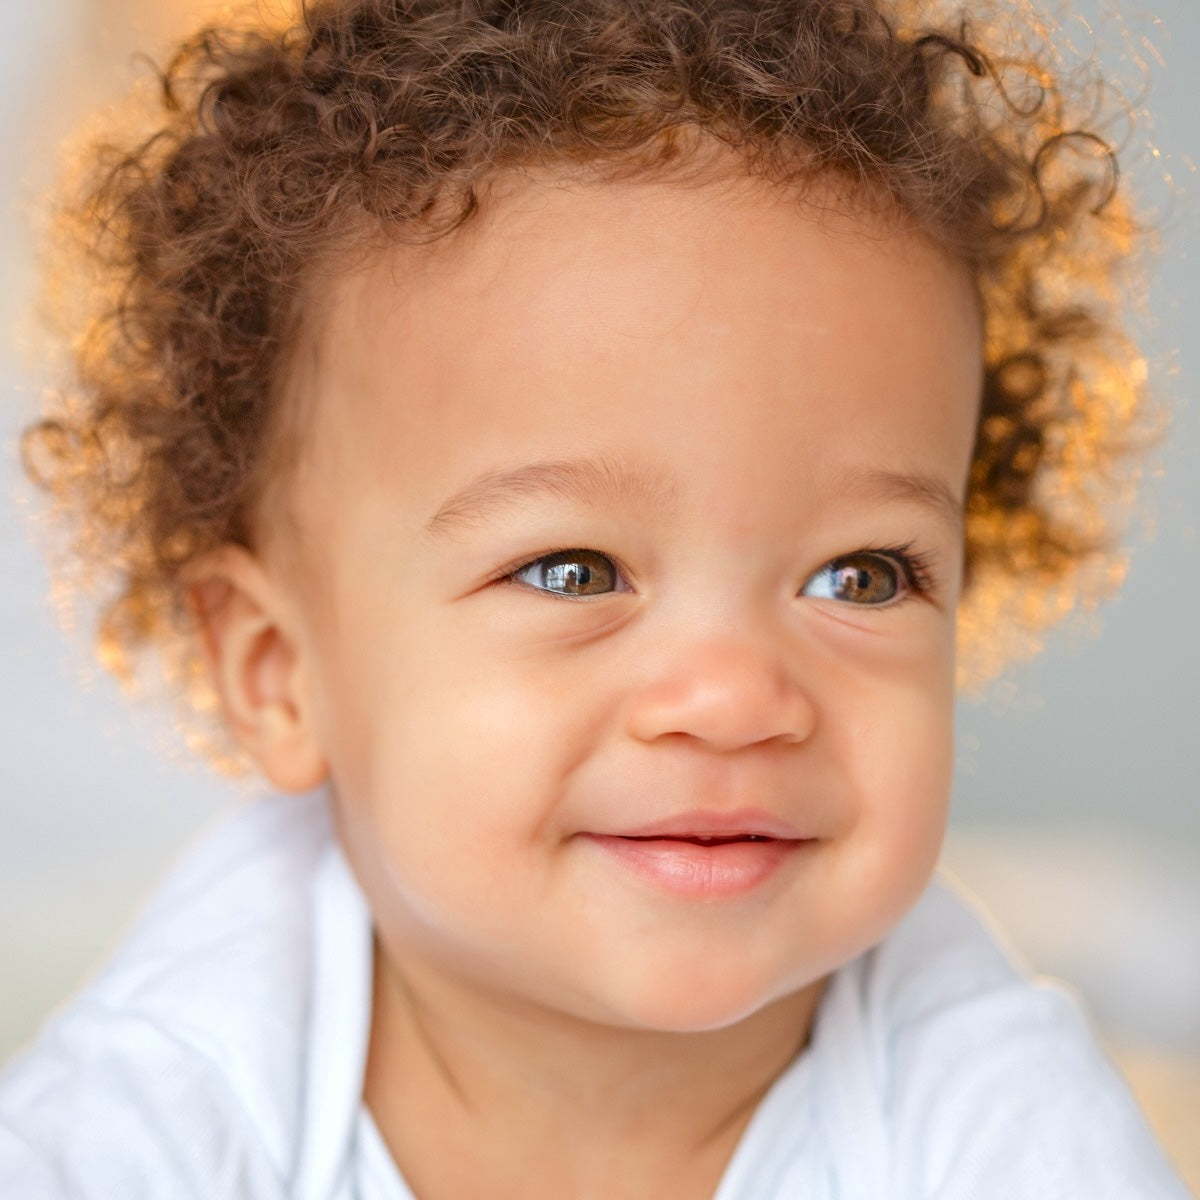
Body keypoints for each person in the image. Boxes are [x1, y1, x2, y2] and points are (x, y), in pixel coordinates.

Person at [0, 0, 1190, 1195]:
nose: (732, 699)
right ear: (277, 671)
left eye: (862, 576)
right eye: (573, 572)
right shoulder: (151, 1111)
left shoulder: (1007, 1129)